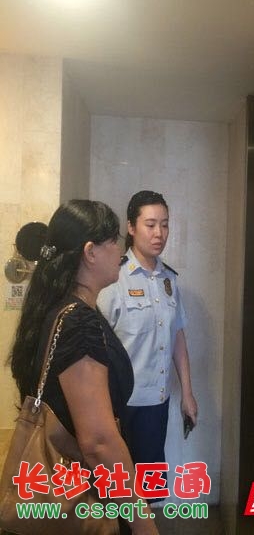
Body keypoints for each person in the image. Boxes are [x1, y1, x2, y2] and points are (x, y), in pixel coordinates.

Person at [9, 200, 158, 535]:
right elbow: (99, 442)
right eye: (114, 240)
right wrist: (144, 526)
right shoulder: (78, 323)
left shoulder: (60, 309)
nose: (121, 250)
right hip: (82, 496)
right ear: (90, 252)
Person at [97, 191, 197, 497]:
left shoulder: (169, 280)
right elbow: (95, 346)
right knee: (115, 491)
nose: (159, 233)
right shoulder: (113, 279)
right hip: (118, 406)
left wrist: (187, 393)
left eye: (164, 225)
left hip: (156, 402)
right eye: (150, 224)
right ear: (131, 227)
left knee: (148, 491)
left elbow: (177, 336)